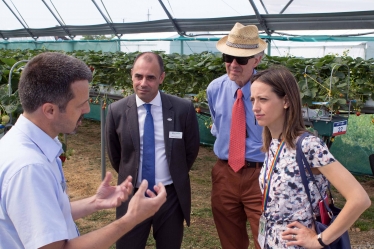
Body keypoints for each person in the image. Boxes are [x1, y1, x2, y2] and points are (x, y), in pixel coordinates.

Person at [0, 52, 167, 249]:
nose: (87, 109)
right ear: (50, 110)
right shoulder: (29, 169)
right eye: (81, 104)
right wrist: (131, 218)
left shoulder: (25, 146)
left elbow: (47, 214)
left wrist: (95, 202)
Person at [250, 66, 371, 248]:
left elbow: (360, 199)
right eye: (252, 99)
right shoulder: (273, 143)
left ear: (286, 101)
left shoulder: (308, 145)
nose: (255, 107)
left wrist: (319, 240)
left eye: (263, 99)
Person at [105, 52, 200, 249]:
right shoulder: (117, 111)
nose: (143, 83)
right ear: (131, 75)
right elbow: (117, 156)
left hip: (169, 196)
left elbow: (190, 150)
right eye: (138, 76)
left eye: (150, 77)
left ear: (162, 78)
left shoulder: (182, 109)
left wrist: (173, 173)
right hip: (132, 195)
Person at [206, 22, 267, 249]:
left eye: (241, 59)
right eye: (228, 57)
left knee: (267, 239)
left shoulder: (270, 90)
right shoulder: (214, 88)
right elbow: (218, 124)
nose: (233, 64)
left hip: (261, 175)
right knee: (230, 241)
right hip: (225, 173)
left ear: (257, 60)